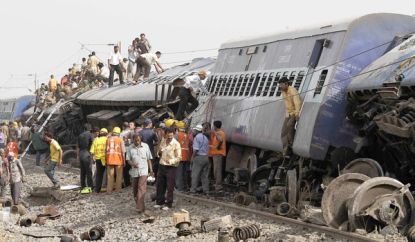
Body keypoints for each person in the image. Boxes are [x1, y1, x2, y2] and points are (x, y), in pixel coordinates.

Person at [154, 127, 181, 210]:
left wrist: (172, 161)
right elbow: (158, 153)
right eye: (168, 136)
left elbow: (179, 157)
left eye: (171, 136)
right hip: (162, 165)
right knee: (160, 184)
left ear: (173, 135)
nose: (169, 138)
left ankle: (168, 203)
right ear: (165, 134)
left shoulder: (176, 144)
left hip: (171, 167)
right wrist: (159, 152)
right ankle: (159, 202)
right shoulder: (163, 141)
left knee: (170, 186)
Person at [126, 134, 153, 213]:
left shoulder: (145, 146)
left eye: (138, 140)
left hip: (144, 171)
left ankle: (139, 207)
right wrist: (133, 164)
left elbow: (149, 159)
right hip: (134, 172)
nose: (137, 142)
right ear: (133, 140)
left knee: (141, 188)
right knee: (135, 190)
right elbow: (128, 159)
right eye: (135, 140)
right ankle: (141, 207)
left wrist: (151, 170)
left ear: (140, 139)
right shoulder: (130, 148)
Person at [279, 77, 302, 156]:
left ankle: (292, 145)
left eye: (281, 84)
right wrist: (287, 115)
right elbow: (287, 104)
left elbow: (297, 103)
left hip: (294, 113)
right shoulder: (283, 92)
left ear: (286, 84)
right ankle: (286, 150)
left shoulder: (292, 90)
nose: (280, 86)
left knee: (289, 125)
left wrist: (297, 114)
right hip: (288, 113)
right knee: (283, 132)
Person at [190, 124, 210, 194]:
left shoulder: (196, 138)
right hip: (206, 158)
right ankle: (206, 190)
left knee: (195, 174)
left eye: (194, 130)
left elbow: (196, 150)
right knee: (205, 175)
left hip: (199, 157)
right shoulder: (206, 138)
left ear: (196, 131)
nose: (193, 131)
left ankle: (193, 190)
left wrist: (192, 157)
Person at [105, 127, 125, 194]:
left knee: (110, 176)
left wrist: (106, 160)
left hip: (109, 159)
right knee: (119, 175)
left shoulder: (108, 140)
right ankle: (118, 190)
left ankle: (109, 191)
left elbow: (106, 150)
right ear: (119, 133)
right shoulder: (120, 140)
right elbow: (123, 151)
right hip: (118, 159)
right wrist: (124, 161)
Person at [209, 120, 226, 191]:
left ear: (215, 126)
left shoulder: (220, 133)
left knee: (217, 170)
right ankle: (217, 183)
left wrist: (215, 134)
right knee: (216, 169)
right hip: (215, 153)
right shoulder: (218, 133)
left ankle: (218, 185)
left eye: (213, 125)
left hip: (218, 154)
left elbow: (221, 140)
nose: (213, 127)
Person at [90, 128, 108, 193]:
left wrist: (92, 159)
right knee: (106, 173)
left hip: (98, 159)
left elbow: (92, 151)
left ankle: (97, 189)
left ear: (100, 133)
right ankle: (104, 187)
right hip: (105, 159)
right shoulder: (107, 140)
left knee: (98, 174)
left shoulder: (96, 140)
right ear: (106, 133)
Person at [78, 123, 94, 194]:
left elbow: (78, 146)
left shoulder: (80, 135)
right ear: (89, 129)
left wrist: (77, 156)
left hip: (81, 154)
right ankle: (90, 186)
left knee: (82, 172)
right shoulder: (90, 135)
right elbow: (93, 144)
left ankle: (83, 186)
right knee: (89, 172)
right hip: (87, 154)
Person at [175, 122, 191, 192]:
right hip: (186, 155)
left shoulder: (177, 135)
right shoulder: (186, 135)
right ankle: (185, 187)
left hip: (179, 155)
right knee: (184, 172)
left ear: (178, 128)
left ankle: (179, 188)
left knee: (179, 172)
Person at [120, 122, 133, 187]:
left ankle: (127, 182)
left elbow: (120, 143)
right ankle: (133, 180)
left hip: (125, 151)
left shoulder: (121, 134)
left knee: (125, 168)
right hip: (132, 151)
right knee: (132, 166)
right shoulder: (132, 132)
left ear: (123, 126)